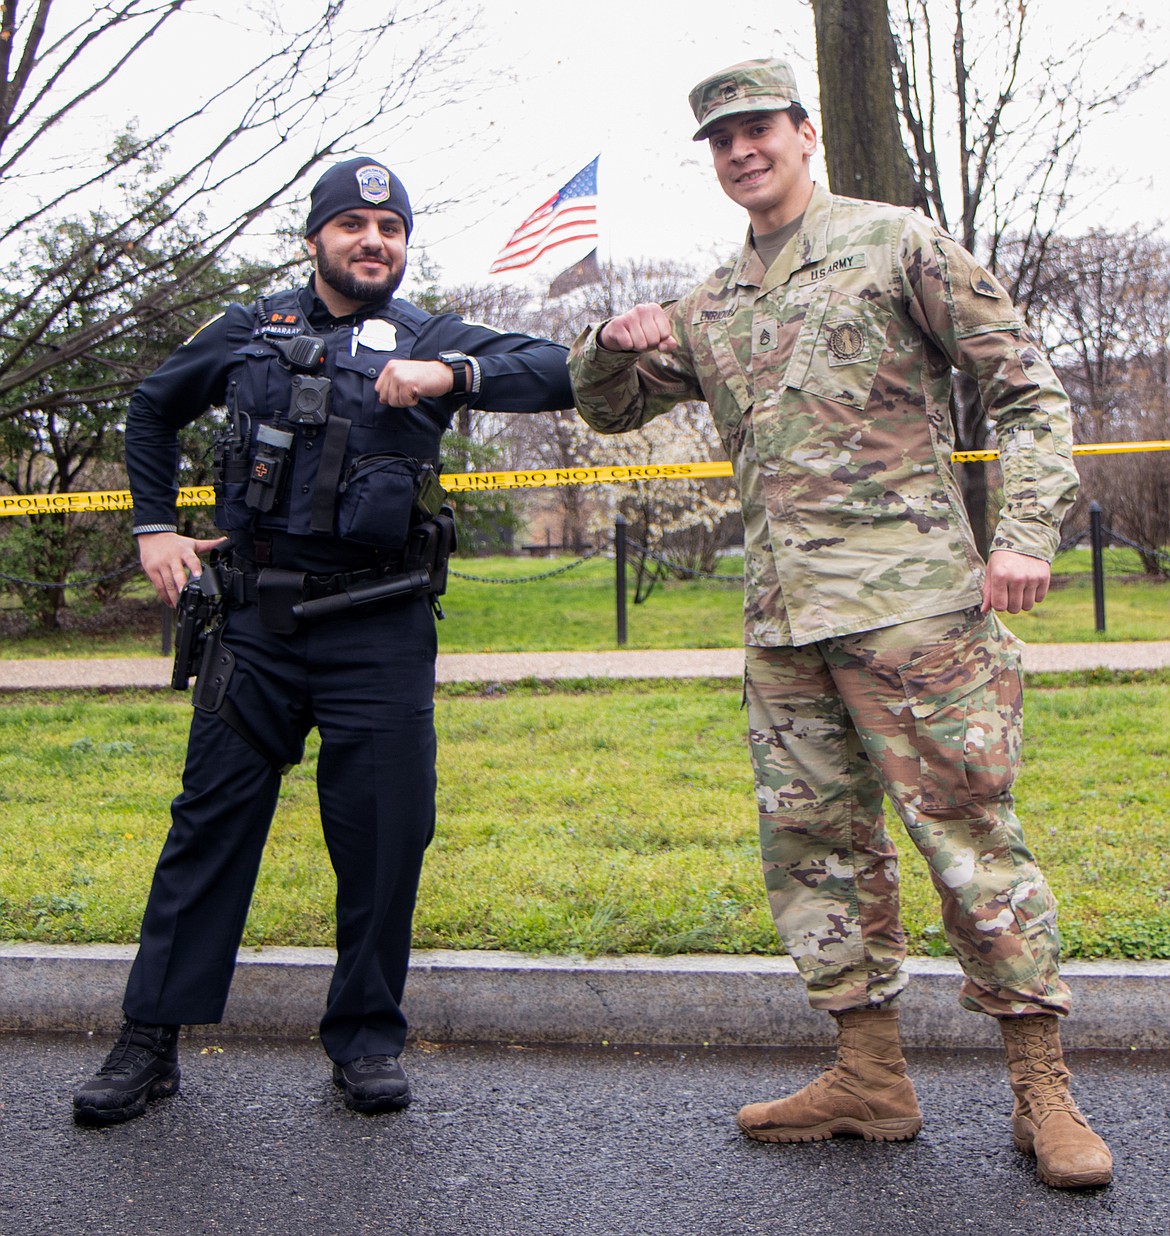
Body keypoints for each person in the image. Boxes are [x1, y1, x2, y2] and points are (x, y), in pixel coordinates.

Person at [568, 59, 1112, 1189]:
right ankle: (869, 1075)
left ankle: (1041, 1089)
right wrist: (608, 342)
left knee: (971, 846)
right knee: (816, 852)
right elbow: (611, 407)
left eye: (758, 128)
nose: (740, 152)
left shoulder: (896, 242)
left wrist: (1026, 533)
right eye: (719, 140)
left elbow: (1027, 387)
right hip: (785, 624)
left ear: (805, 133)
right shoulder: (714, 301)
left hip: (916, 614)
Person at [73, 157, 573, 1124]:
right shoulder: (249, 331)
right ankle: (150, 1042)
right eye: (351, 226)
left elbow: (559, 372)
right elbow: (151, 406)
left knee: (386, 841)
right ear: (315, 240)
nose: (372, 242)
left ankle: (366, 1043)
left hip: (379, 632)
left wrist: (452, 373)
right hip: (255, 625)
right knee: (207, 829)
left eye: (389, 231)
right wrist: (151, 527)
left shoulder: (431, 335)